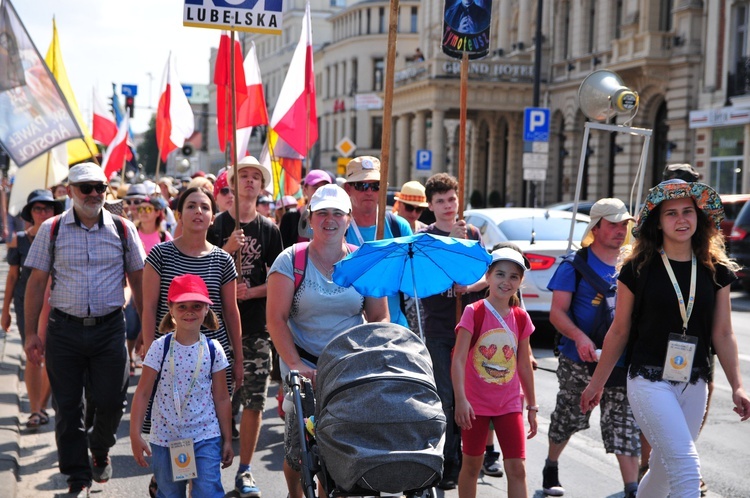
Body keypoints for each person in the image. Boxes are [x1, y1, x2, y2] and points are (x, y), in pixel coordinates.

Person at [581, 180, 750, 497]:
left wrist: (738, 385)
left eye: (688, 211)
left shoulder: (716, 270)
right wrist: (596, 384)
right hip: (647, 379)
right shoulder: (638, 268)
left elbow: (723, 333)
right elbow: (619, 331)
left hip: (694, 381)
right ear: (657, 222)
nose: (681, 219)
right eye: (671, 213)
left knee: (663, 472)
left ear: (699, 217)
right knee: (686, 468)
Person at [23, 163, 146, 496]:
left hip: (109, 330)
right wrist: (31, 333)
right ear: (69, 191)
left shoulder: (123, 229)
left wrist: (147, 328)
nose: (94, 194)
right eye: (85, 188)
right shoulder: (51, 229)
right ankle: (77, 474)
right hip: (64, 330)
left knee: (111, 400)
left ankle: (100, 448)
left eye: (100, 188)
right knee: (67, 406)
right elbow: (35, 284)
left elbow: (138, 280)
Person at [267, 183, 389, 498]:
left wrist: (370, 355)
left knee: (337, 449)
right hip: (302, 366)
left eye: (337, 213)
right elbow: (276, 319)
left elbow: (379, 318)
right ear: (310, 218)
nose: (329, 219)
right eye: (322, 213)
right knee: (300, 450)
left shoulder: (364, 260)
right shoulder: (290, 261)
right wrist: (294, 364)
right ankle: (295, 491)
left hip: (348, 367)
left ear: (348, 220)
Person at [139, 187, 243, 498]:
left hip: (212, 361)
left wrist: (238, 358)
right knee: (172, 425)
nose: (198, 211)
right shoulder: (160, 254)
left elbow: (230, 310)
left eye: (204, 207)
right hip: (169, 360)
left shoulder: (222, 259)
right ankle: (165, 479)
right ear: (180, 213)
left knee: (206, 431)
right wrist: (148, 350)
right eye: (191, 206)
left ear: (213, 217)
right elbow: (149, 307)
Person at [542, 198, 639, 498]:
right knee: (568, 416)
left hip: (620, 361)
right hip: (578, 359)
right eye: (613, 224)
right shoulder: (574, 265)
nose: (620, 230)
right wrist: (580, 337)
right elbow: (557, 312)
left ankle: (632, 488)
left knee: (624, 423)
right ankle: (551, 465)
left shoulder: (633, 264)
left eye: (624, 225)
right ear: (595, 228)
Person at [207, 155, 282, 498]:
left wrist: (251, 291)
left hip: (255, 328)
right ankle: (208, 463)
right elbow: (199, 274)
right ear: (232, 185)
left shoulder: (269, 229)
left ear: (261, 186)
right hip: (215, 329)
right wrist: (226, 249)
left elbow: (281, 282)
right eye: (243, 176)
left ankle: (245, 470)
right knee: (213, 401)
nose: (250, 181)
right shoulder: (216, 225)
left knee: (254, 401)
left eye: (256, 177)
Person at [130, 274, 233, 498]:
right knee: (169, 494)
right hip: (166, 438)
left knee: (208, 492)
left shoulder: (213, 350)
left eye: (197, 306)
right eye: (182, 306)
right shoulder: (159, 347)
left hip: (205, 435)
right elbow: (143, 392)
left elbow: (222, 397)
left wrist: (227, 439)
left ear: (206, 309)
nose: (189, 312)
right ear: (171, 309)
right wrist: (134, 434)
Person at [418, 172, 486, 489]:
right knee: (446, 397)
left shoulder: (471, 232)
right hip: (439, 328)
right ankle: (446, 462)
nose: (448, 206)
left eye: (452, 199)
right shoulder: (427, 239)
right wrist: (452, 246)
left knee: (470, 395)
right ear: (431, 205)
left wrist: (469, 285)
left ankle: (469, 459)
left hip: (470, 328)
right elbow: (425, 280)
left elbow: (489, 275)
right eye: (441, 201)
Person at [452, 247, 537, 498]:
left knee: (517, 469)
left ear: (521, 282)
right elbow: (458, 360)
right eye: (500, 274)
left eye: (513, 276)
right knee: (471, 466)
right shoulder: (474, 312)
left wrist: (532, 407)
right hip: (474, 405)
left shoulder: (521, 317)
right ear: (487, 276)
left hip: (509, 404)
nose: (506, 281)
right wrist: (460, 400)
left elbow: (523, 364)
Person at [2, 189, 62, 428]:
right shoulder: (19, 239)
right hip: (26, 303)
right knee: (32, 356)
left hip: (55, 303)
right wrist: (4, 310)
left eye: (47, 208)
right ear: (30, 213)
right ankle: (35, 410)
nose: (43, 212)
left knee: (51, 357)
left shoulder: (60, 237)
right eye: (38, 208)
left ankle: (42, 404)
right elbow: (12, 277)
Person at [343, 156, 412, 326]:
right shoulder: (339, 228)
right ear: (348, 189)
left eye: (376, 186)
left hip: (393, 327)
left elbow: (412, 276)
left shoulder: (399, 227)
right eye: (362, 185)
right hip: (349, 330)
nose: (369, 191)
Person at [279, 169, 331, 248]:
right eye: (315, 187)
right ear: (305, 190)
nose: (320, 192)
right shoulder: (290, 217)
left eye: (324, 188)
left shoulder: (335, 218)